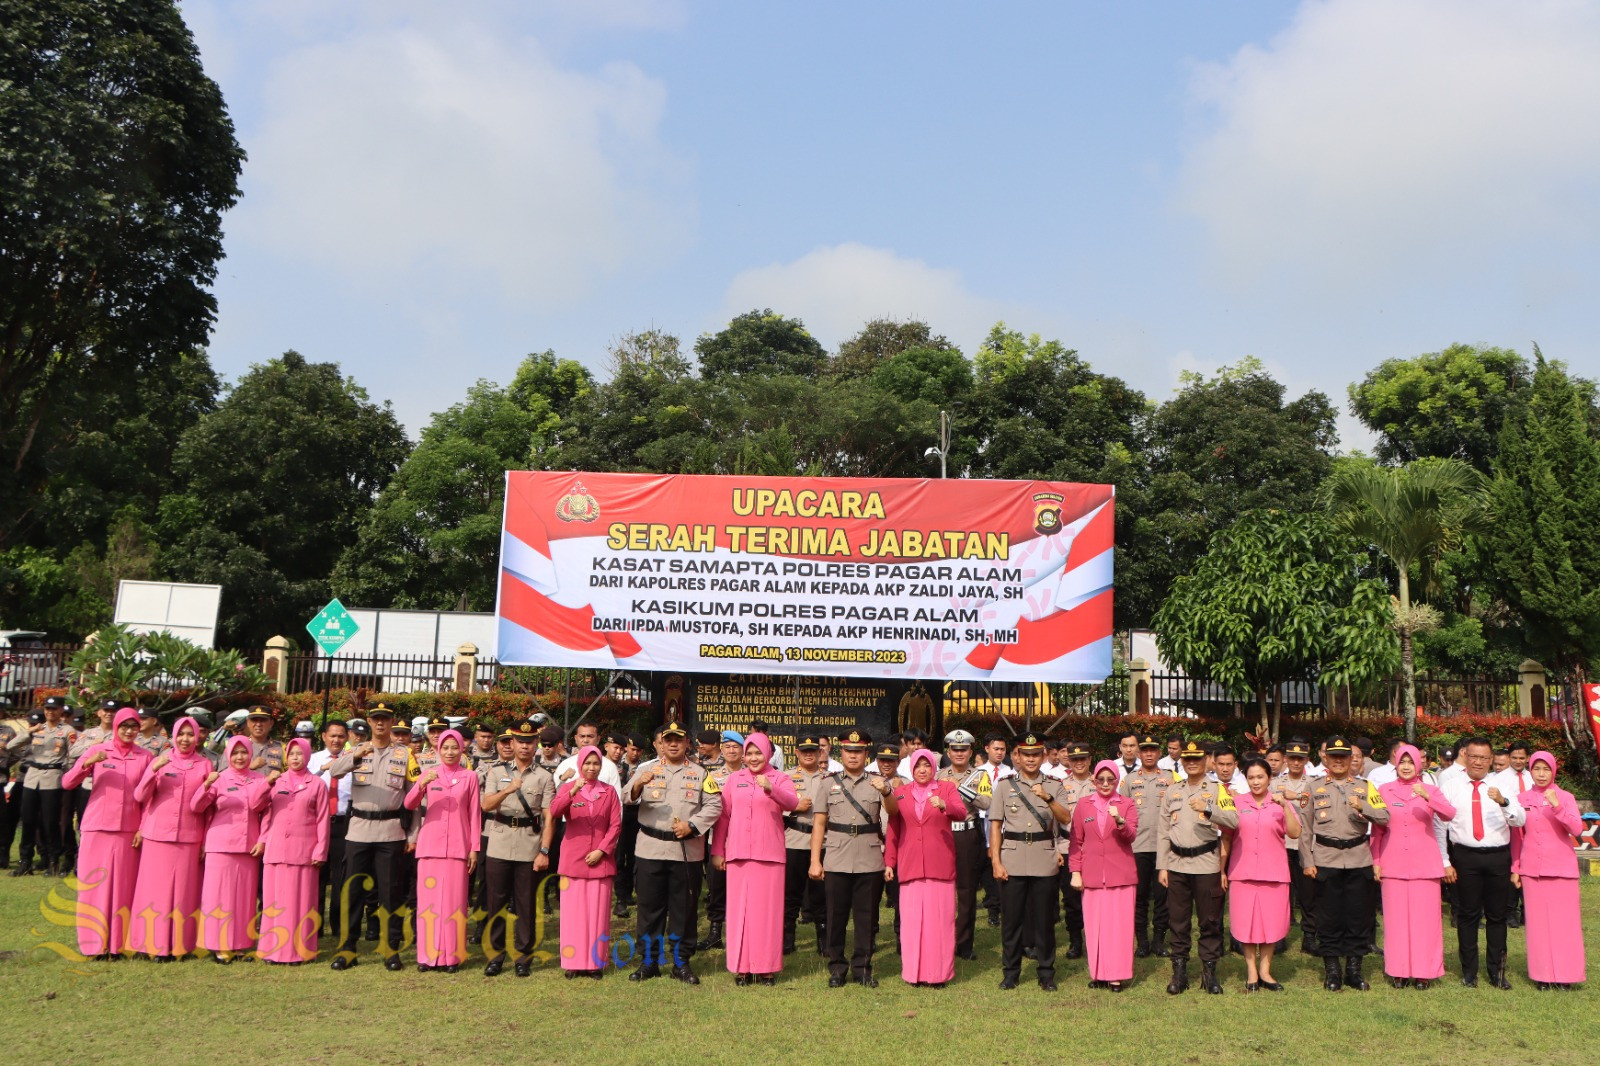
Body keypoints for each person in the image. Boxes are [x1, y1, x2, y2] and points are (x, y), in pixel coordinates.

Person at [326, 703, 419, 970]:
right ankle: (347, 949)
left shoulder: (405, 755)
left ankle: (391, 949)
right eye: (376, 719)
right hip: (358, 830)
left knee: (391, 893)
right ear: (369, 721)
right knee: (352, 891)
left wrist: (413, 834)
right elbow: (334, 771)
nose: (380, 724)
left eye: (385, 719)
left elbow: (414, 797)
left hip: (391, 832)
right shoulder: (356, 750)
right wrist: (357, 755)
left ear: (391, 723)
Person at [626, 720, 720, 983]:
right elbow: (626, 797)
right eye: (669, 740)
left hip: (685, 852)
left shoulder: (701, 774)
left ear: (686, 743)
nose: (674, 744)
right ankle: (648, 962)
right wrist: (637, 785)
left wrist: (693, 825)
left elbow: (714, 805)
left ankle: (681, 962)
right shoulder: (647, 770)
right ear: (662, 743)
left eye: (679, 739)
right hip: (650, 849)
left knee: (684, 909)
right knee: (649, 909)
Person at [1299, 735, 1389, 992]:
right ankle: (1332, 970)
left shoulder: (1366, 787)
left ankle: (1353, 969)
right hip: (1326, 859)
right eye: (1334, 756)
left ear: (1352, 759)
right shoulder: (1312, 787)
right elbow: (1305, 830)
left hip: (1359, 859)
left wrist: (1363, 807)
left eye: (1344, 756)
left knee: (1359, 916)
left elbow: (1384, 816)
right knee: (1328, 918)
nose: (1339, 761)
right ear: (1325, 758)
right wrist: (1307, 861)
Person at [60, 708, 150, 959]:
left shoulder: (145, 756)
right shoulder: (97, 750)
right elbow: (67, 783)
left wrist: (142, 828)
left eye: (134, 726)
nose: (129, 731)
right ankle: (93, 944)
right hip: (97, 827)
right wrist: (87, 764)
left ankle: (117, 945)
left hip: (128, 830)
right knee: (94, 888)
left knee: (122, 888)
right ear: (115, 727)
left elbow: (149, 798)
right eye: (124, 726)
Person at [1437, 735, 1525, 989]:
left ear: (1492, 760)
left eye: (1484, 758)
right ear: (1465, 756)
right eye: (1473, 756)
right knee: (1467, 916)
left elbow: (1519, 820)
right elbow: (1438, 826)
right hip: (1464, 856)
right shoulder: (1451, 786)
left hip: (1498, 856)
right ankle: (1469, 973)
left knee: (1498, 916)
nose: (1478, 762)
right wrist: (1444, 860)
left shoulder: (1504, 786)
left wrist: (1503, 802)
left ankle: (1497, 972)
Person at [810, 728, 895, 988]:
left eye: (858, 751)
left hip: (869, 857)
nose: (853, 756)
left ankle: (863, 968)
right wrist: (815, 860)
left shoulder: (878, 781)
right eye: (849, 751)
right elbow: (819, 823)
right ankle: (837, 968)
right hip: (836, 855)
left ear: (866, 753)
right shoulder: (827, 782)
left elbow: (894, 813)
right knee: (836, 916)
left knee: (866, 916)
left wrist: (887, 792)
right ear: (841, 753)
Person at [988, 732, 1071, 991]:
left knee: (1045, 920)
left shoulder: (1055, 784)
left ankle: (1046, 973)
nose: (1032, 759)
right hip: (1012, 857)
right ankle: (1010, 972)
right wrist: (996, 862)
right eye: (1026, 754)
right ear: (1018, 757)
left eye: (1036, 754)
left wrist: (1047, 797)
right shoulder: (1005, 785)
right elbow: (996, 825)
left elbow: (1066, 818)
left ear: (1044, 755)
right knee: (1011, 920)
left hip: (1043, 856)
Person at [714, 732, 799, 985]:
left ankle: (766, 968)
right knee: (740, 912)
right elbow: (724, 817)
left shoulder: (780, 778)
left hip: (770, 855)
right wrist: (718, 850)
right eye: (748, 753)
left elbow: (793, 803)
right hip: (738, 853)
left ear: (768, 753)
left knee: (767, 914)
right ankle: (741, 967)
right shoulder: (733, 779)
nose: (752, 758)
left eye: (757, 753)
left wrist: (771, 789)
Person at [1158, 739, 1240, 995]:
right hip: (1177, 864)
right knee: (1178, 921)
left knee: (1210, 920)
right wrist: (1162, 866)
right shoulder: (1172, 791)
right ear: (1182, 762)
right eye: (1188, 759)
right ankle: (1179, 973)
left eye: (1197, 759)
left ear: (1207, 761)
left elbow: (1234, 820)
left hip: (1206, 864)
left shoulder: (1217, 790)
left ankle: (1209, 973)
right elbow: (1163, 831)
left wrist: (1208, 808)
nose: (1192, 763)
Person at [1370, 743, 1454, 989]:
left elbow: (1450, 814)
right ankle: (1399, 970)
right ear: (1395, 764)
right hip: (1393, 863)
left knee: (1425, 921)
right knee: (1396, 921)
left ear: (1419, 765)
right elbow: (1377, 830)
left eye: (1411, 762)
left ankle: (1424, 971)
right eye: (1402, 762)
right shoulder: (1383, 790)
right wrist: (1375, 861)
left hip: (1425, 865)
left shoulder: (1430, 789)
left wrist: (1429, 797)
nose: (1406, 767)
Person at [129, 715, 211, 960]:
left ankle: (178, 946)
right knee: (152, 891)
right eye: (181, 734)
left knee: (184, 893)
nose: (185, 739)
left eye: (190, 734)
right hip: (158, 834)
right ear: (173, 736)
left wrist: (204, 840)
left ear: (197, 737)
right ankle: (146, 944)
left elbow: (208, 806)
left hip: (189, 835)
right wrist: (152, 771)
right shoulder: (160, 760)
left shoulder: (205, 765)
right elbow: (141, 796)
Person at [480, 718, 556, 978]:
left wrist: (544, 851)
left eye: (529, 741)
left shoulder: (545, 776)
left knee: (526, 904)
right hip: (499, 842)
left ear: (536, 743)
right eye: (520, 741)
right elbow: (486, 805)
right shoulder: (496, 772)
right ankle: (495, 956)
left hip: (529, 844)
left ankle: (524, 957)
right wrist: (508, 790)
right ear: (511, 742)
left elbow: (549, 817)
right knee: (496, 903)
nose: (524, 746)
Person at [886, 748, 966, 987]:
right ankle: (914, 974)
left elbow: (961, 813)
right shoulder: (900, 793)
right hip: (910, 865)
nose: (922, 770)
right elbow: (893, 829)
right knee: (912, 923)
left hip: (939, 864)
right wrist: (890, 862)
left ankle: (938, 975)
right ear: (911, 768)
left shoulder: (947, 789)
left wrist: (945, 805)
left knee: (939, 923)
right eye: (918, 766)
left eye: (927, 766)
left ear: (934, 768)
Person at [404, 728, 480, 972]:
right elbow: (409, 804)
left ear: (462, 749)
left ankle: (451, 956)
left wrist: (474, 848)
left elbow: (474, 814)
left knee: (454, 903)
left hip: (458, 847)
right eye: (445, 747)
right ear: (438, 749)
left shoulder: (469, 777)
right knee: (429, 904)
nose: (449, 752)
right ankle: (427, 956)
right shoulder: (429, 773)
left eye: (454, 747)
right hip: (430, 847)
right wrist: (420, 785)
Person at [191, 736, 271, 963]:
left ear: (250, 754)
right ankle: (218, 945)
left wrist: (263, 839)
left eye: (244, 752)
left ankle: (239, 944)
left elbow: (267, 814)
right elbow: (196, 807)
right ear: (228, 755)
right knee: (219, 898)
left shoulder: (259, 779)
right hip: (221, 845)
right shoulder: (219, 778)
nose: (239, 757)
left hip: (249, 846)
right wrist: (205, 785)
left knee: (243, 898)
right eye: (235, 753)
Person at [1512, 751, 1586, 989]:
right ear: (1529, 771)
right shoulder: (1521, 799)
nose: (1541, 774)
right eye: (1536, 769)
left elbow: (1576, 829)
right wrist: (1516, 867)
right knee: (1538, 925)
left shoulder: (1565, 796)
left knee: (1564, 925)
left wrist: (1557, 806)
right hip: (1533, 869)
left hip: (1562, 869)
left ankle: (1565, 976)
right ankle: (1543, 975)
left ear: (1553, 770)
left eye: (1546, 769)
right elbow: (1517, 837)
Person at [1228, 756, 1300, 991]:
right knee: (1246, 925)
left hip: (1274, 873)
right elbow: (1227, 836)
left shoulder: (1279, 803)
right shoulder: (1237, 803)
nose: (1256, 782)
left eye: (1260, 777)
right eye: (1251, 777)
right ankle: (1251, 973)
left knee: (1271, 925)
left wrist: (1284, 806)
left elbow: (1294, 832)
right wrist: (1220, 870)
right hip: (1243, 871)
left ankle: (1265, 972)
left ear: (1269, 778)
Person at [549, 744, 621, 979]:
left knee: (598, 913)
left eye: (596, 763)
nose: (591, 768)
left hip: (600, 860)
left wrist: (602, 850)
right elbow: (554, 811)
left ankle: (594, 963)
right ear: (579, 764)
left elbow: (615, 824)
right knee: (573, 914)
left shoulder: (609, 791)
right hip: (574, 859)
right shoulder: (569, 787)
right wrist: (571, 791)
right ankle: (573, 962)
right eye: (587, 763)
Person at [258, 738, 331, 964]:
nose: (295, 758)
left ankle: (299, 950)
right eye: (291, 754)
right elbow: (261, 810)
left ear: (307, 756)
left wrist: (320, 850)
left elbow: (322, 820)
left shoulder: (317, 784)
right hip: (276, 849)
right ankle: (272, 950)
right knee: (274, 902)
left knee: (300, 903)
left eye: (300, 753)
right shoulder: (275, 781)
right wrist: (265, 785)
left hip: (304, 851)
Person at [1069, 759, 1138, 992]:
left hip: (1121, 875)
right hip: (1092, 875)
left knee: (1119, 927)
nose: (1105, 783)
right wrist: (1075, 872)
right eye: (1101, 779)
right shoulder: (1083, 805)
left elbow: (1131, 836)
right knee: (1095, 926)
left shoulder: (1127, 804)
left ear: (1117, 781)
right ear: (1094, 780)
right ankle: (1098, 973)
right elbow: (1076, 842)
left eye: (1111, 779)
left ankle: (1116, 975)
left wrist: (1119, 820)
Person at [937, 729, 989, 961]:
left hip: (968, 834)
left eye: (964, 749)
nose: (959, 753)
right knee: (941, 889)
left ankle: (964, 944)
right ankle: (942, 939)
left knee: (967, 891)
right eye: (955, 749)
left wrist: (957, 787)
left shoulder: (980, 775)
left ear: (971, 751)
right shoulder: (937, 775)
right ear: (948, 751)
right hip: (942, 834)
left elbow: (986, 802)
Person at [1119, 734, 1171, 957]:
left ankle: (1159, 940)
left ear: (1159, 753)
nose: (1149, 754)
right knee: (1139, 897)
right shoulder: (1129, 780)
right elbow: (1120, 810)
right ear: (1139, 753)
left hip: (1163, 847)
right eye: (1145, 750)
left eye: (1153, 750)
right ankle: (1142, 941)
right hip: (1137, 847)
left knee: (1163, 896)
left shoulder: (1170, 778)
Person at [781, 731, 829, 956]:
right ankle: (787, 939)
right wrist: (793, 807)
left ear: (820, 753)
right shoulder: (785, 777)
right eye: (804, 751)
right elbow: (773, 805)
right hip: (794, 840)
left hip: (824, 842)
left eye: (813, 751)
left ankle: (824, 940)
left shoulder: (830, 778)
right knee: (791, 893)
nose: (809, 755)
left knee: (821, 894)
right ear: (797, 752)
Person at [14, 696, 74, 877]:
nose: (50, 712)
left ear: (61, 710)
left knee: (50, 822)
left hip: (52, 778)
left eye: (54, 709)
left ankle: (53, 861)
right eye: (47, 709)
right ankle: (25, 861)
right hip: (32, 777)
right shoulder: (38, 729)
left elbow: (73, 755)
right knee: (28, 820)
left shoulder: (67, 731)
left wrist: (67, 775)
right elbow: (11, 745)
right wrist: (30, 731)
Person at [1274, 738, 1320, 954]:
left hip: (1305, 844)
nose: (1295, 762)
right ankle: (1279, 935)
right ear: (1286, 759)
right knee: (1282, 893)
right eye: (1291, 758)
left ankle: (1309, 936)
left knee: (1308, 894)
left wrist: (1297, 797)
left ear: (1306, 760)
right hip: (1281, 843)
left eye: (1299, 759)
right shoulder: (1275, 783)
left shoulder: (1313, 783)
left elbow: (1317, 808)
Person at [307, 718, 351, 943]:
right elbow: (302, 782)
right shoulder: (313, 760)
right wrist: (321, 770)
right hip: (315, 825)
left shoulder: (353, 761)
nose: (336, 740)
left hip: (343, 824)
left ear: (347, 738)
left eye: (341, 736)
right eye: (332, 735)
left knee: (341, 878)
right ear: (324, 736)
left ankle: (337, 926)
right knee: (317, 877)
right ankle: (315, 926)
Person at [1055, 742, 1095, 960]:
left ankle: (1093, 938)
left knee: (1093, 896)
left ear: (1089, 760)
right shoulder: (1060, 785)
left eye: (1083, 759)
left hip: (1094, 849)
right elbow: (1053, 819)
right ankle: (1075, 940)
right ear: (1068, 761)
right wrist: (1054, 848)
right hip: (1066, 846)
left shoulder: (1100, 783)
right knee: (1070, 898)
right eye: (1075, 760)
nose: (1079, 763)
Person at [242, 707, 285, 773]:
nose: (258, 724)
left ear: (271, 723)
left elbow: (293, 774)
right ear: (248, 723)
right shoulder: (239, 746)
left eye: (263, 720)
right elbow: (225, 776)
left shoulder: (281, 747)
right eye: (254, 720)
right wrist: (250, 767)